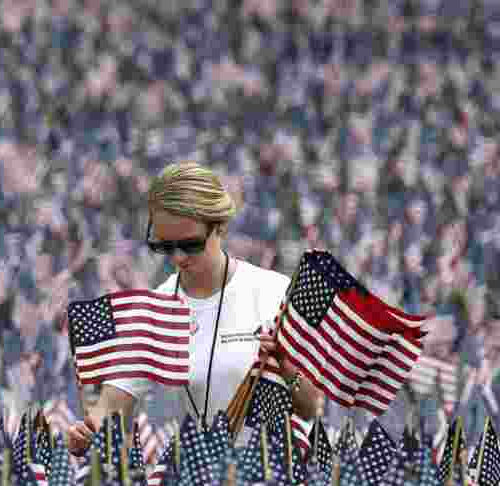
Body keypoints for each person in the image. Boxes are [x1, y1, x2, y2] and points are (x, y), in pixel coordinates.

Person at [66, 161, 324, 453]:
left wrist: (288, 366)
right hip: (205, 480)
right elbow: (111, 406)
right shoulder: (154, 311)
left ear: (220, 228)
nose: (177, 257)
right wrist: (85, 433)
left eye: (190, 244)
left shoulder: (274, 293)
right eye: (165, 246)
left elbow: (312, 407)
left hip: (277, 476)